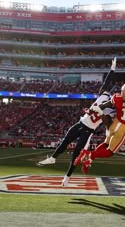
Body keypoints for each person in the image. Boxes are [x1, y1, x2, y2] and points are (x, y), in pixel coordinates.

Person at [38, 57, 117, 186]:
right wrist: (112, 70)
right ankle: (53, 158)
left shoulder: (112, 110)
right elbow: (107, 83)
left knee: (76, 155)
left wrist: (102, 113)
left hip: (89, 130)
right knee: (65, 141)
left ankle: (67, 178)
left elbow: (108, 123)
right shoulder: (104, 95)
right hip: (81, 123)